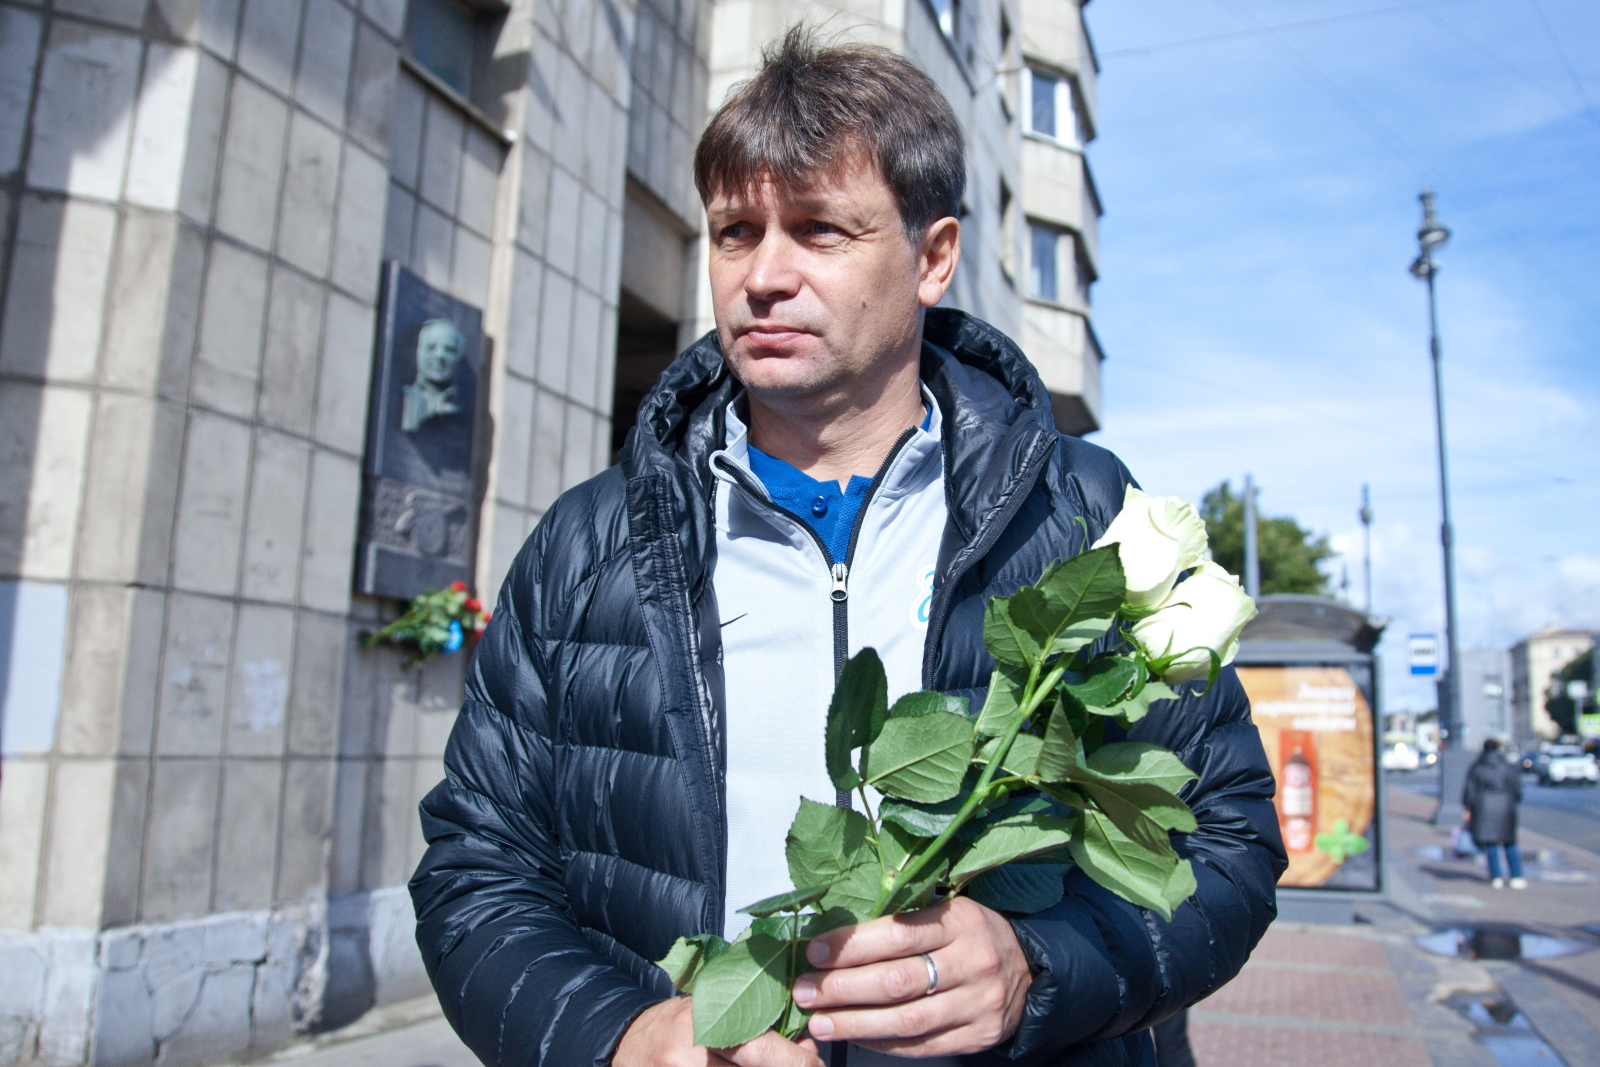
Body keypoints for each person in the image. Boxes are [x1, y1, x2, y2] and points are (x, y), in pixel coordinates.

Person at [410, 30, 1286, 1067]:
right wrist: (622, 1035)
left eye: (820, 230)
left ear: (933, 256)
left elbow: (1223, 840)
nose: (763, 276)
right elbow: (476, 864)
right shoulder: (587, 543)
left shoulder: (1082, 516)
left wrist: (1034, 965)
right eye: (736, 232)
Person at [1463, 738, 1526, 889]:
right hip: (1506, 809)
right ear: (1498, 749)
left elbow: (1469, 793)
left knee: (1490, 843)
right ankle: (1516, 876)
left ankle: (1496, 876)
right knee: (1510, 843)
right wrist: (1512, 803)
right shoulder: (1508, 767)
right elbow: (1517, 790)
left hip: (1483, 809)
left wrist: (1469, 808)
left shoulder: (1477, 767)